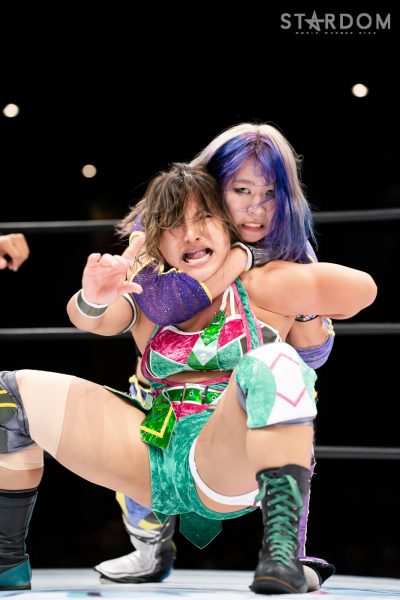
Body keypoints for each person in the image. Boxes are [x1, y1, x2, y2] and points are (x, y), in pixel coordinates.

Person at [0, 164, 377, 594]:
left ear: (226, 225)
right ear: (157, 240)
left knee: (274, 360)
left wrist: (266, 257)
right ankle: (7, 560)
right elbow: (93, 320)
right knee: (10, 394)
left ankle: (282, 556)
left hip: (230, 456)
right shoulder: (148, 293)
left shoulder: (261, 284)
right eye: (174, 226)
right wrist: (93, 297)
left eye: (204, 219)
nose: (191, 235)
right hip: (154, 455)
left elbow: (362, 290)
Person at [95, 123, 335, 588]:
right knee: (143, 418)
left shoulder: (291, 249)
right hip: (169, 386)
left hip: (242, 388)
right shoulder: (159, 232)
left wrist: (301, 304)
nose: (257, 207)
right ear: (214, 186)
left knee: (291, 400)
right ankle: (148, 544)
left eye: (271, 193)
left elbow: (316, 354)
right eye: (242, 190)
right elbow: (161, 306)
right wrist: (236, 263)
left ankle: (289, 552)